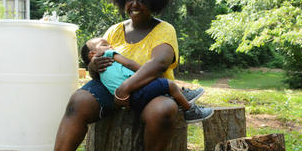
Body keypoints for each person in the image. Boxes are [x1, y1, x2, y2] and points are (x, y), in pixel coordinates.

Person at [53, 0, 195, 151]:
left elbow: (159, 64)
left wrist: (125, 88)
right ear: (122, 1)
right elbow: (97, 61)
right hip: (110, 90)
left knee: (163, 111)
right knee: (78, 102)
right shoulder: (115, 30)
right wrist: (93, 67)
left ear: (155, 1)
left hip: (151, 91)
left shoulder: (164, 30)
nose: (135, 4)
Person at [80, 37, 213, 122]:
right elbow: (130, 64)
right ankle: (190, 110)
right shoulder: (109, 54)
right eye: (105, 44)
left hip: (129, 101)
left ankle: (182, 96)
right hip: (135, 91)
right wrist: (146, 72)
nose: (110, 46)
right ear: (93, 54)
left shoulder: (99, 72)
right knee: (169, 85)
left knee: (160, 89)